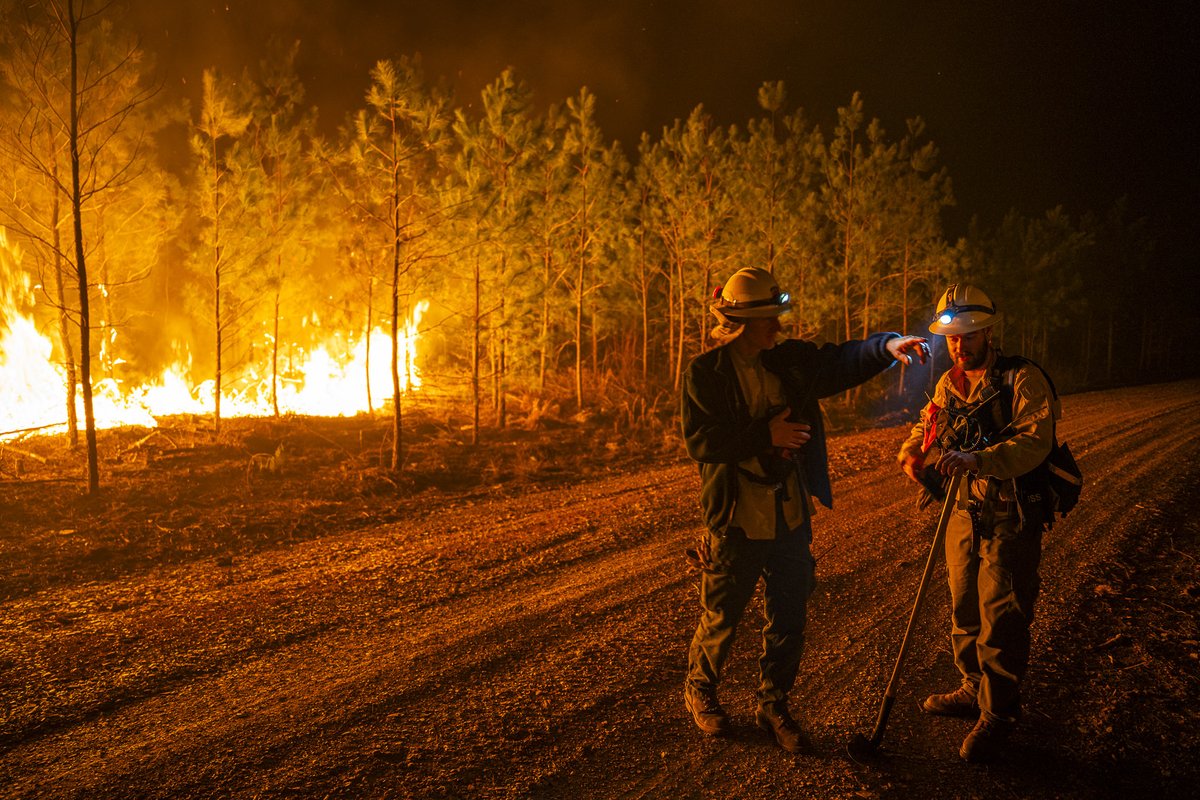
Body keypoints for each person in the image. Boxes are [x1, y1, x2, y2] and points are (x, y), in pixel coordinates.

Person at [681, 266, 929, 753]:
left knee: (789, 616)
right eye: (770, 317)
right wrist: (765, 436)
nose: (779, 325)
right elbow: (701, 441)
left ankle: (774, 705)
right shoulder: (705, 374)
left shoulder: (789, 360)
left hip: (790, 513)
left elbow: (838, 361)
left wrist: (886, 346)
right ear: (741, 322)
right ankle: (701, 690)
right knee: (722, 615)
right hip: (736, 517)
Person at [897, 283, 1057, 763]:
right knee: (964, 605)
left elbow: (1035, 442)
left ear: (988, 331)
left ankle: (999, 713)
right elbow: (929, 424)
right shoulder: (951, 382)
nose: (958, 346)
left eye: (967, 336)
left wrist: (978, 459)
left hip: (1009, 511)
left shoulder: (1021, 380)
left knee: (1001, 616)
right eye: (951, 338)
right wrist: (913, 451)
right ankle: (972, 688)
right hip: (963, 512)